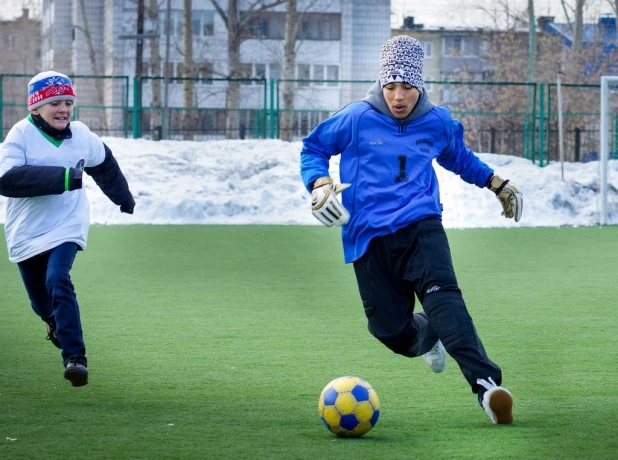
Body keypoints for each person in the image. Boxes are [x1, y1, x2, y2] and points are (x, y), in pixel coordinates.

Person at [300, 36, 523, 424]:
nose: (398, 96)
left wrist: (494, 182)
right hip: (369, 238)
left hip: (422, 228)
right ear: (380, 84)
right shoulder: (355, 118)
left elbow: (458, 157)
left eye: (406, 87)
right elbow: (313, 149)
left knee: (446, 301)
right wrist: (319, 182)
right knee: (391, 331)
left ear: (419, 86)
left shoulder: (436, 121)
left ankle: (488, 388)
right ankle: (428, 335)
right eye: (390, 87)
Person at [0, 71, 135, 387]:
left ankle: (75, 358)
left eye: (68, 103)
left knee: (58, 277)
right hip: (27, 231)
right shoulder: (19, 135)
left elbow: (105, 166)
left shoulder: (82, 135)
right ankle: (53, 322)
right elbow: (6, 180)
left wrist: (123, 198)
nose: (63, 109)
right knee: (41, 303)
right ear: (36, 108)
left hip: (67, 224)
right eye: (55, 103)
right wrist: (64, 178)